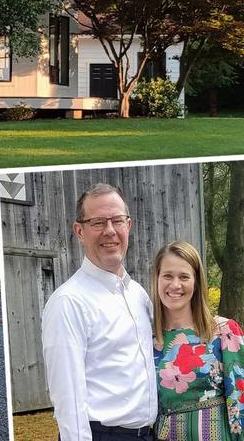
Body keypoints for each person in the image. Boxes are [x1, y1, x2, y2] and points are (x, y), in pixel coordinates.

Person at [41, 182, 158, 441]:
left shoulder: (138, 294)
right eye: (98, 223)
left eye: (117, 220)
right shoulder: (69, 302)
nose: (110, 231)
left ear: (128, 226)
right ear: (79, 231)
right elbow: (68, 399)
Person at [151, 241, 244, 441]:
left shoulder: (223, 332)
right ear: (157, 279)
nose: (175, 284)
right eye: (167, 275)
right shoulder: (146, 340)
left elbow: (243, 404)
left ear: (196, 282)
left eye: (184, 277)